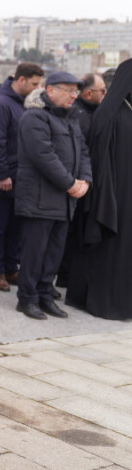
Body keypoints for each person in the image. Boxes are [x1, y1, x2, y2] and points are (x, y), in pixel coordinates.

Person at [15, 72, 92, 320]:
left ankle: (45, 294)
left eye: (75, 91)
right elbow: (43, 156)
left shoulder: (70, 118)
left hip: (64, 200)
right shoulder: (34, 117)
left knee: (54, 252)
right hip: (39, 199)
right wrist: (70, 184)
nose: (73, 96)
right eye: (68, 90)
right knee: (34, 252)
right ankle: (27, 298)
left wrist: (85, 180)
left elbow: (83, 152)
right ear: (50, 90)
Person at [67, 59, 132, 319]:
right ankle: (104, 302)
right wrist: (108, 198)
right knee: (109, 249)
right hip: (113, 194)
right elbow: (100, 160)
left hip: (127, 192)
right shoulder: (110, 113)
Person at [0, 63, 44, 292]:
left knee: (14, 228)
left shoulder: (21, 103)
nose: (37, 88)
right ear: (21, 80)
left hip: (19, 177)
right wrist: (3, 174)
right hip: (3, 178)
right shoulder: (1, 104)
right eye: (34, 84)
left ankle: (10, 267)